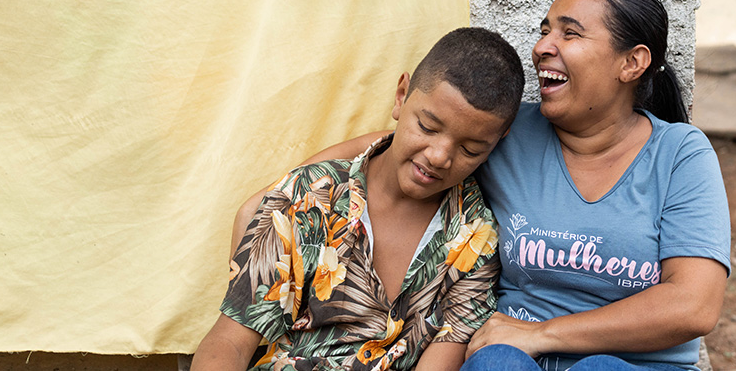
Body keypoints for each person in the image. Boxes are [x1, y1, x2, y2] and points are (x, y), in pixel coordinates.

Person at [235, 0, 731, 371]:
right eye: (544, 30)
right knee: (496, 363)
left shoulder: (680, 155)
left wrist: (543, 335)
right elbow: (405, 144)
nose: (543, 46)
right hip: (506, 358)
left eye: (570, 33)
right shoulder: (512, 132)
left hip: (631, 365)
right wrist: (286, 195)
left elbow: (693, 306)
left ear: (633, 63)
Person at [192, 27, 526, 371]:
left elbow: (444, 356)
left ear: (497, 142)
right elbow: (230, 341)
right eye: (427, 127)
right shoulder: (309, 199)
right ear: (401, 96)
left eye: (470, 149)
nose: (440, 156)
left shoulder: (476, 237)